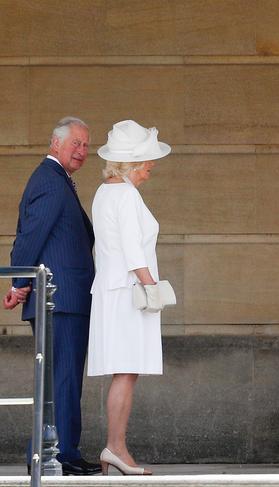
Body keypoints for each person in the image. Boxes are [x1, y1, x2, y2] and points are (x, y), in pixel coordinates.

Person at [3, 117, 100, 475]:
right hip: (59, 300)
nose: (82, 150)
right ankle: (55, 455)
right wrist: (18, 283)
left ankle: (60, 452)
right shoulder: (49, 180)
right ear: (55, 143)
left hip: (64, 299)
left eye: (87, 145)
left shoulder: (58, 181)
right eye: (76, 143)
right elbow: (31, 236)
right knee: (61, 378)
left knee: (64, 378)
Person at [87, 120, 171, 475]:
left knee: (126, 370)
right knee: (126, 371)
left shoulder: (106, 191)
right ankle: (115, 447)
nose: (150, 169)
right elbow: (134, 251)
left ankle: (115, 447)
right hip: (127, 292)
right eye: (147, 163)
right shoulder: (123, 194)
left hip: (114, 290)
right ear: (133, 164)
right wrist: (154, 288)